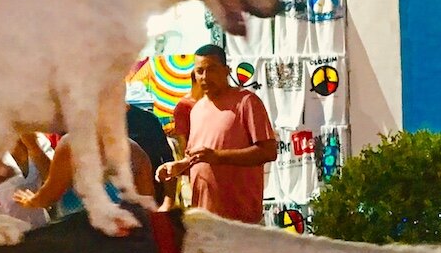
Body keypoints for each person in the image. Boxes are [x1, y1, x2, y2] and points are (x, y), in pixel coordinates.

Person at [157, 45, 276, 223]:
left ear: (226, 71)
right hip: (203, 218)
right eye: (199, 71)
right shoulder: (196, 110)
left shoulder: (246, 102)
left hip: (240, 221)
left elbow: (268, 151)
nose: (205, 77)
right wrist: (178, 167)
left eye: (211, 69)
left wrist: (218, 156)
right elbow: (197, 158)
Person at [15, 133, 157, 223]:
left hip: (81, 241)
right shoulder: (135, 151)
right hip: (123, 242)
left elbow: (50, 196)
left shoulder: (70, 146)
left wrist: (31, 201)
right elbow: (147, 205)